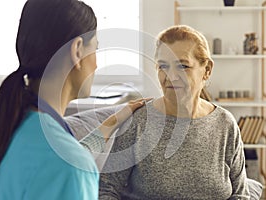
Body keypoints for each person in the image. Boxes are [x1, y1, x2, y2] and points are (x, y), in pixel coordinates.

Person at [0, 0, 148, 199]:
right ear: (77, 50)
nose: (96, 64)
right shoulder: (69, 166)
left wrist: (115, 119)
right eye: (95, 49)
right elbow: (69, 161)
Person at [99, 25, 250, 199]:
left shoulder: (225, 123)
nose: (170, 76)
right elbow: (106, 190)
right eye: (163, 66)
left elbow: (240, 194)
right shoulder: (138, 122)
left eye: (183, 66)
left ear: (207, 70)